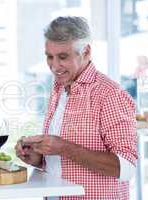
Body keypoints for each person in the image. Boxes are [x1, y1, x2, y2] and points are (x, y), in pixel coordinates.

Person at [15, 16, 137, 200]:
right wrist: (39, 159)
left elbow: (126, 167)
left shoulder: (110, 95)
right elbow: (61, 164)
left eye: (63, 57)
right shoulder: (59, 89)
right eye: (49, 57)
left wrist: (65, 148)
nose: (54, 66)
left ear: (86, 52)